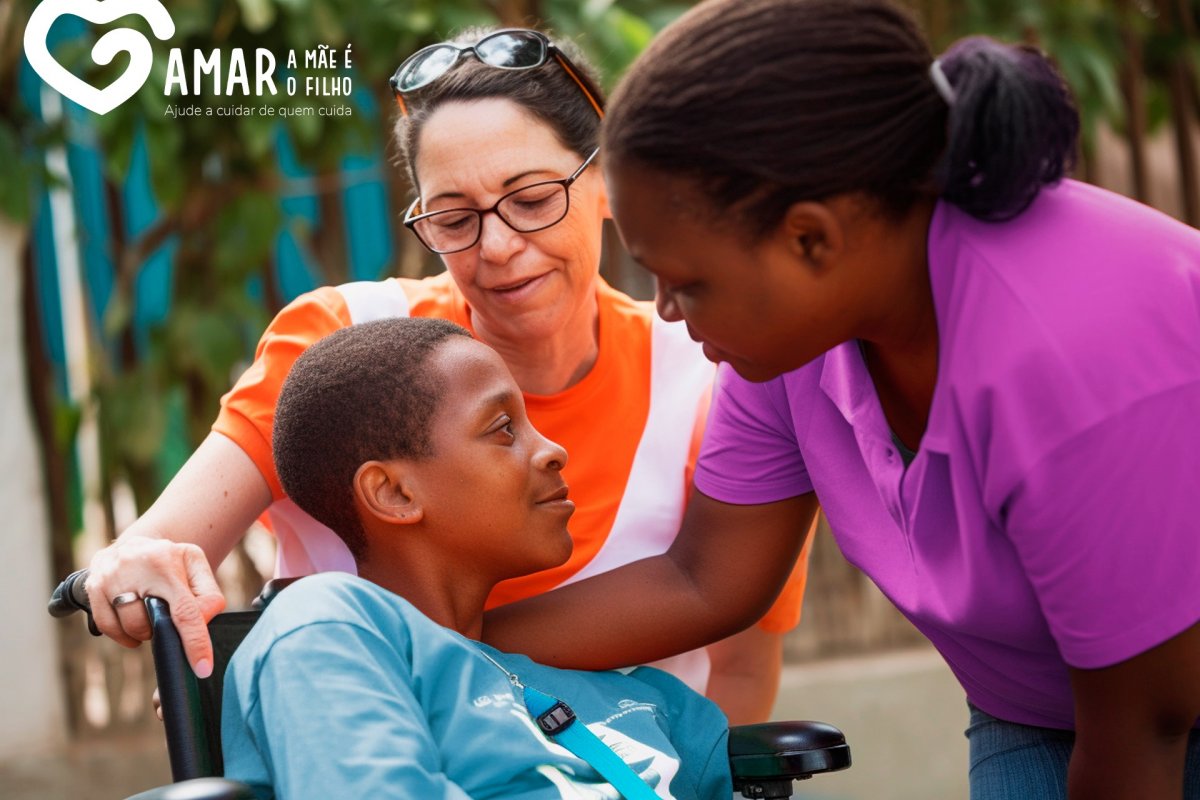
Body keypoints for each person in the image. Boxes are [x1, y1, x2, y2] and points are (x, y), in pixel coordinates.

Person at [480, 1, 1200, 797]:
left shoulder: (1076, 355)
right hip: (1037, 704)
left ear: (811, 239)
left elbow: (1145, 731)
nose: (667, 312)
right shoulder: (794, 338)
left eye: (686, 283)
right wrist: (437, 642)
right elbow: (703, 578)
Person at [81, 27, 809, 722]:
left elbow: (740, 669)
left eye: (531, 200)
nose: (497, 246)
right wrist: (135, 569)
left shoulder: (710, 374)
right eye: (454, 218)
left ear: (608, 183)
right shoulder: (344, 347)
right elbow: (158, 548)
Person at [221, 316, 731, 799]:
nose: (554, 450)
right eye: (505, 428)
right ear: (394, 493)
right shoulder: (325, 627)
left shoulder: (648, 699)